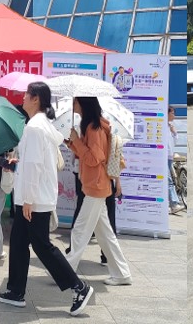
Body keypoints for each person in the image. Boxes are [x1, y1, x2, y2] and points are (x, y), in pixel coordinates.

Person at [0, 82, 93, 316]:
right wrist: (17, 164)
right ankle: (16, 291)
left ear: (36, 99)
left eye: (26, 95)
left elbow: (34, 166)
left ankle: (79, 287)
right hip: (33, 196)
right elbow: (31, 163)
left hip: (34, 198)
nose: (23, 98)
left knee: (41, 245)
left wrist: (28, 199)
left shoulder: (35, 128)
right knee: (19, 242)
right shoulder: (41, 126)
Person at [64, 97, 132, 286]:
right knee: (105, 234)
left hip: (96, 185)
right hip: (96, 185)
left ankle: (65, 273)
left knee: (80, 231)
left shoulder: (94, 129)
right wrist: (73, 143)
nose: (73, 105)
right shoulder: (91, 127)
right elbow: (87, 155)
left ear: (83, 103)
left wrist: (76, 141)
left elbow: (94, 159)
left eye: (75, 102)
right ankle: (122, 274)